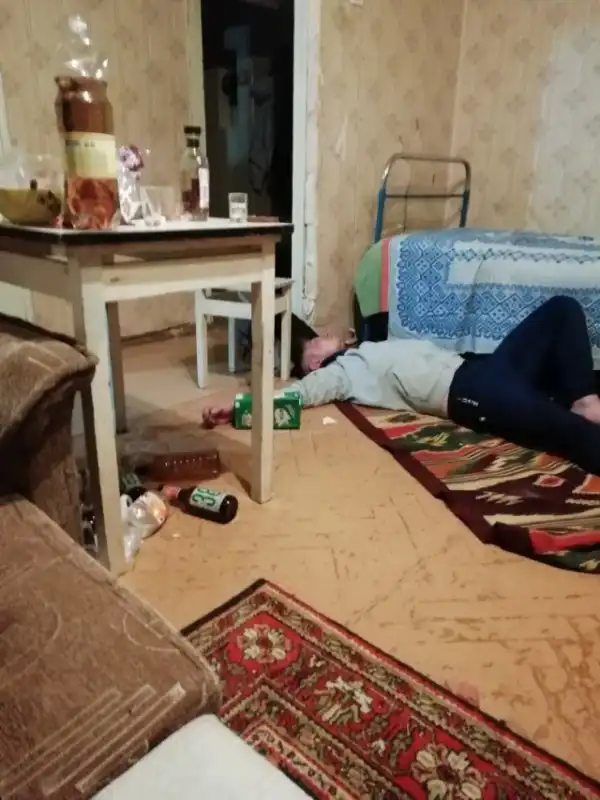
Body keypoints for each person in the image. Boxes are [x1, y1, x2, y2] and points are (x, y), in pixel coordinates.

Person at [203, 296, 600, 475]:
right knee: (571, 433)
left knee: (563, 309)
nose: (324, 337)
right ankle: (578, 415)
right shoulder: (341, 372)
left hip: (482, 366)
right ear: (313, 363)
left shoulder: (365, 345)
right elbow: (297, 397)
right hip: (471, 394)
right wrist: (240, 407)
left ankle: (584, 399)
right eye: (315, 344)